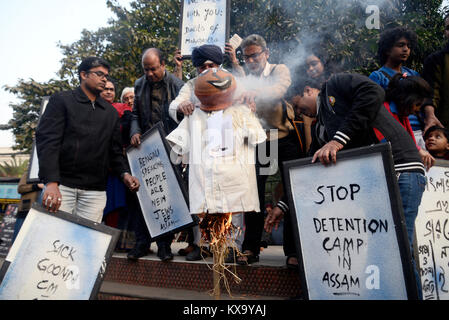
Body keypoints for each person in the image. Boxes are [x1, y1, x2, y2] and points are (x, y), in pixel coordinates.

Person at [266, 73, 426, 293]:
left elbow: (374, 93)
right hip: (376, 180)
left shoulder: (336, 84)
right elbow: (308, 173)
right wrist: (281, 207)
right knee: (379, 253)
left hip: (400, 170)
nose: (300, 113)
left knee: (397, 252)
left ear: (308, 90)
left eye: (299, 106)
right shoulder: (319, 128)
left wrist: (338, 140)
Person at [166, 68, 266, 261]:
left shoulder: (241, 111)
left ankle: (231, 249)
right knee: (208, 218)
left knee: (233, 215)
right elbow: (176, 147)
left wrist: (249, 111)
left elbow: (258, 138)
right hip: (206, 181)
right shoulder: (194, 115)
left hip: (233, 180)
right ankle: (209, 248)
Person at [35, 56, 140, 223]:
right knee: (54, 242)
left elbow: (114, 152)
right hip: (62, 188)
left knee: (85, 246)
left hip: (95, 192)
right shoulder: (61, 101)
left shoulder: (110, 113)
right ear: (83, 74)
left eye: (106, 75)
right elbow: (48, 142)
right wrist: (51, 182)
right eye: (99, 74)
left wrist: (125, 174)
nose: (104, 79)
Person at [231, 34, 304, 265]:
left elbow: (278, 90)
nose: (251, 60)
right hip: (261, 140)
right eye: (247, 57)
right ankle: (251, 248)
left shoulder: (278, 70)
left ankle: (293, 251)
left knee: (292, 189)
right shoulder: (244, 78)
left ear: (266, 53)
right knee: (256, 191)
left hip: (284, 137)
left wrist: (256, 93)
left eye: (255, 55)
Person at [168, 44, 226, 261]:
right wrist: (182, 105)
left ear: (219, 64)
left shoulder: (231, 81)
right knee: (198, 196)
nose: (207, 69)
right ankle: (202, 244)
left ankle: (227, 244)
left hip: (226, 150)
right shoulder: (191, 85)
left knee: (225, 196)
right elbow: (173, 106)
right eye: (202, 66)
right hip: (199, 152)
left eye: (211, 65)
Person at [128, 48, 185, 262]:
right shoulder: (139, 84)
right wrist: (135, 131)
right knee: (141, 196)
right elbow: (135, 114)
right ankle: (142, 243)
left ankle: (164, 245)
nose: (149, 74)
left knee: (167, 197)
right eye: (146, 70)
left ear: (163, 65)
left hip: (169, 148)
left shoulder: (178, 86)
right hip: (145, 149)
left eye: (153, 69)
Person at [369, 27, 439, 148]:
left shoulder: (413, 74)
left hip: (420, 132)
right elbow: (375, 109)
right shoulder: (377, 76)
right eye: (400, 45)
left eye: (408, 46)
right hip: (396, 132)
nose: (406, 49)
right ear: (387, 50)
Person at [422, 13, 449, 128]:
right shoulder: (436, 59)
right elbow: (431, 92)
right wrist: (430, 115)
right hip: (444, 129)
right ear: (445, 33)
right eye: (448, 28)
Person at [13, 171, 44, 242]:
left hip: (41, 214)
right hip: (25, 210)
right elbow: (20, 189)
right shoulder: (28, 173)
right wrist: (37, 186)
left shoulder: (50, 174)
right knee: (17, 240)